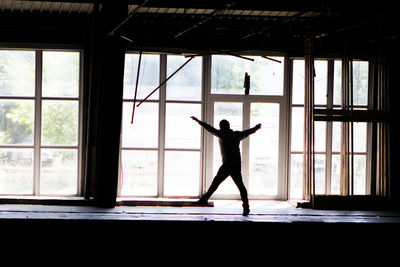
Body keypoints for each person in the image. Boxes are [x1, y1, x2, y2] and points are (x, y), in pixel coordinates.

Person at [191, 116, 261, 216]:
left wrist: (198, 121)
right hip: (235, 164)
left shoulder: (221, 134)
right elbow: (247, 132)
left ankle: (204, 200)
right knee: (240, 186)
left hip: (227, 164)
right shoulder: (236, 134)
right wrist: (256, 128)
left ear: (222, 127)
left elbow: (209, 128)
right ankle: (246, 207)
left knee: (216, 183)